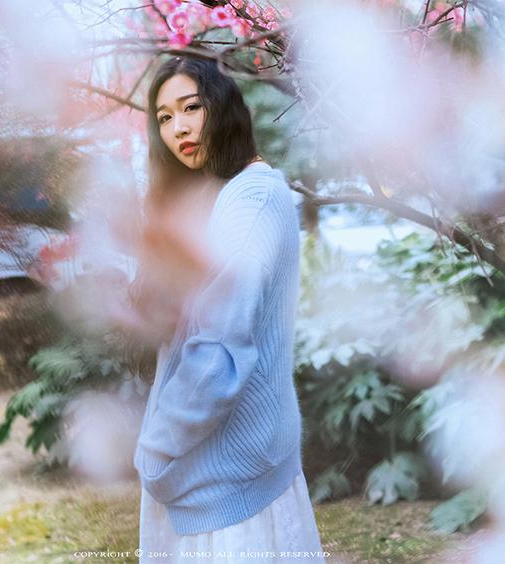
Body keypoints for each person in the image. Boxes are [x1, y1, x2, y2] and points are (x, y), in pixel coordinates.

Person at [129, 54, 326, 563]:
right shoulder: (224, 195)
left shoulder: (250, 199)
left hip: (226, 478)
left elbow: (219, 346)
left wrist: (158, 445)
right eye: (165, 118)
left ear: (221, 106)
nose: (178, 128)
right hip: (217, 464)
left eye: (191, 107)